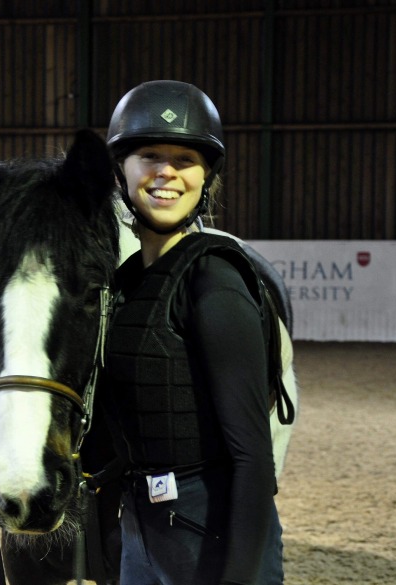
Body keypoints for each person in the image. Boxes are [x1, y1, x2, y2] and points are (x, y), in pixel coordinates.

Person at [101, 80, 284, 585]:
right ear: (122, 170)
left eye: (184, 159)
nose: (166, 172)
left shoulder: (214, 281)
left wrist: (240, 578)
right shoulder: (123, 283)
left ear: (206, 176)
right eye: (150, 155)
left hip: (210, 526)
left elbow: (251, 456)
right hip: (140, 522)